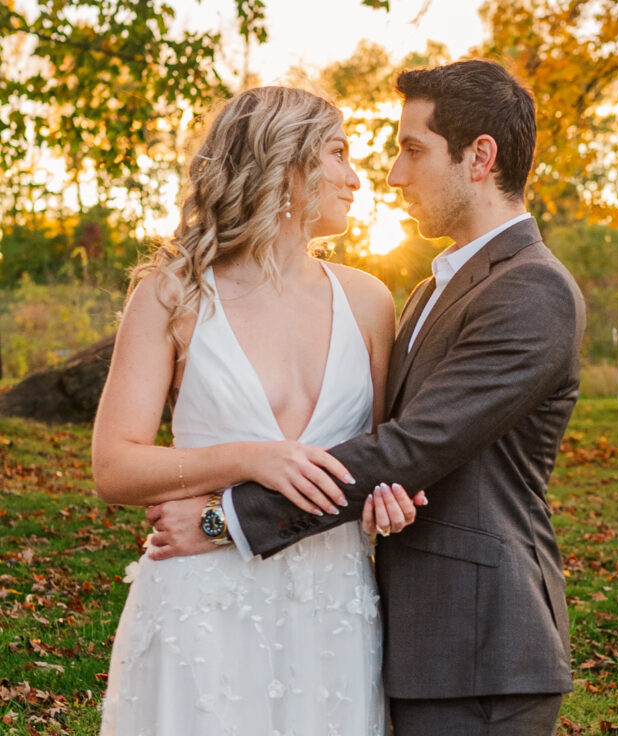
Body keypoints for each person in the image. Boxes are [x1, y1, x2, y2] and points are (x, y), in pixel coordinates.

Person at [150, 60, 586, 736]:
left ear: (479, 157)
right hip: (409, 637)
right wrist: (388, 503)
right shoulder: (430, 289)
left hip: (482, 648)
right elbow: (402, 451)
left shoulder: (532, 289)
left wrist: (223, 521)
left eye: (412, 149)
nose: (390, 173)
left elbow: (413, 447)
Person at [92, 85, 420, 736]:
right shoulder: (173, 293)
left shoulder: (369, 301)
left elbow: (382, 457)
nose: (357, 177)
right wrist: (250, 459)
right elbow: (114, 465)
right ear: (284, 163)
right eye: (338, 153)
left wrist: (392, 497)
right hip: (200, 603)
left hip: (334, 608)